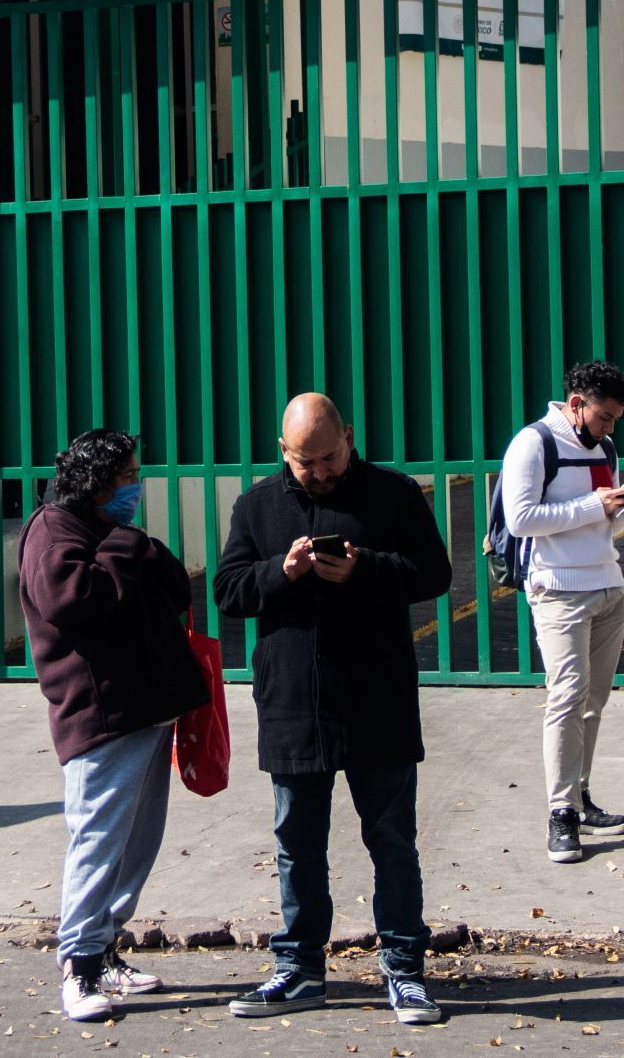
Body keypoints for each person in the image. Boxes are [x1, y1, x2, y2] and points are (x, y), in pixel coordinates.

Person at [213, 394, 452, 1026]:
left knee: (392, 840)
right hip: (294, 701)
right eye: (304, 462)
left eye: (328, 457)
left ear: (349, 436)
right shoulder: (257, 505)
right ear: (282, 451)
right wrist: (280, 572)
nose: (318, 473)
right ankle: (299, 969)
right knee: (297, 843)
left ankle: (404, 969)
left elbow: (434, 572)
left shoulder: (395, 494)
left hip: (378, 699)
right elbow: (229, 591)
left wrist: (364, 569)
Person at [17, 429, 207, 1024]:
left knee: (135, 840)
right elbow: (74, 600)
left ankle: (105, 948)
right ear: (96, 482)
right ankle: (77, 963)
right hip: (101, 714)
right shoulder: (55, 531)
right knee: (99, 838)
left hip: (146, 708)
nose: (135, 487)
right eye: (126, 477)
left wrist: (137, 548)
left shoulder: (107, 532)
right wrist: (128, 547)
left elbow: (173, 588)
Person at [500, 360, 624, 865]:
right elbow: (520, 520)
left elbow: (604, 525)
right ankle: (560, 814)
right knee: (565, 697)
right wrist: (594, 505)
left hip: (608, 584)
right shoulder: (533, 443)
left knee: (593, 701)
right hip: (558, 589)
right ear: (577, 403)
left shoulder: (603, 446)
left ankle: (580, 796)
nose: (610, 429)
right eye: (605, 417)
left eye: (615, 421)